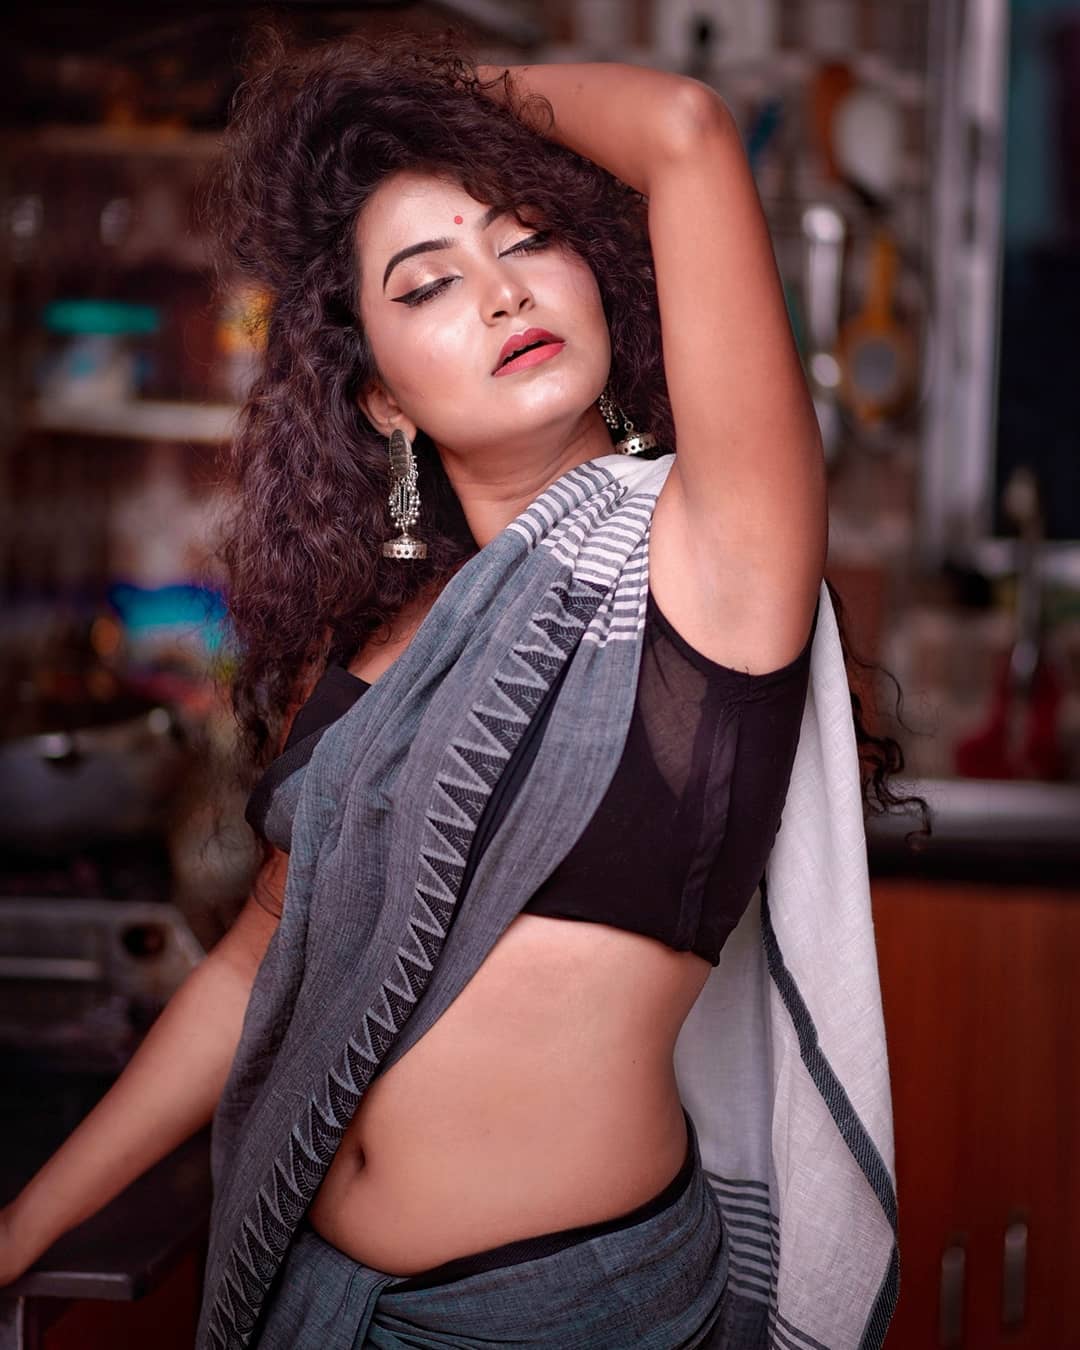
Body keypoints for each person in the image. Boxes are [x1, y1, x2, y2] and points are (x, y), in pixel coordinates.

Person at [0, 25, 928, 1350]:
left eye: (528, 237)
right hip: (322, 1295)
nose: (501, 294)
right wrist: (21, 1229)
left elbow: (684, 131)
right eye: (429, 282)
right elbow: (256, 963)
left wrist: (409, 104)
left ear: (599, 279)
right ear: (382, 397)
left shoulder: (716, 560)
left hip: (562, 1314)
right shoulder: (384, 643)